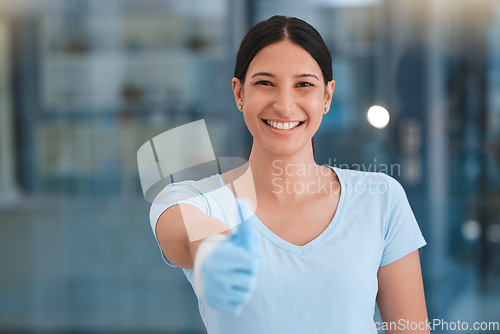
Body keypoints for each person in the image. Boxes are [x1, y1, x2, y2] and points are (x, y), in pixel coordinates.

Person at [149, 15, 429, 334]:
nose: (284, 105)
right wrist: (209, 240)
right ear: (239, 93)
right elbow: (179, 229)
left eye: (304, 85)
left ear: (326, 96)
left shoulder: (381, 198)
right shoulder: (197, 200)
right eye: (265, 83)